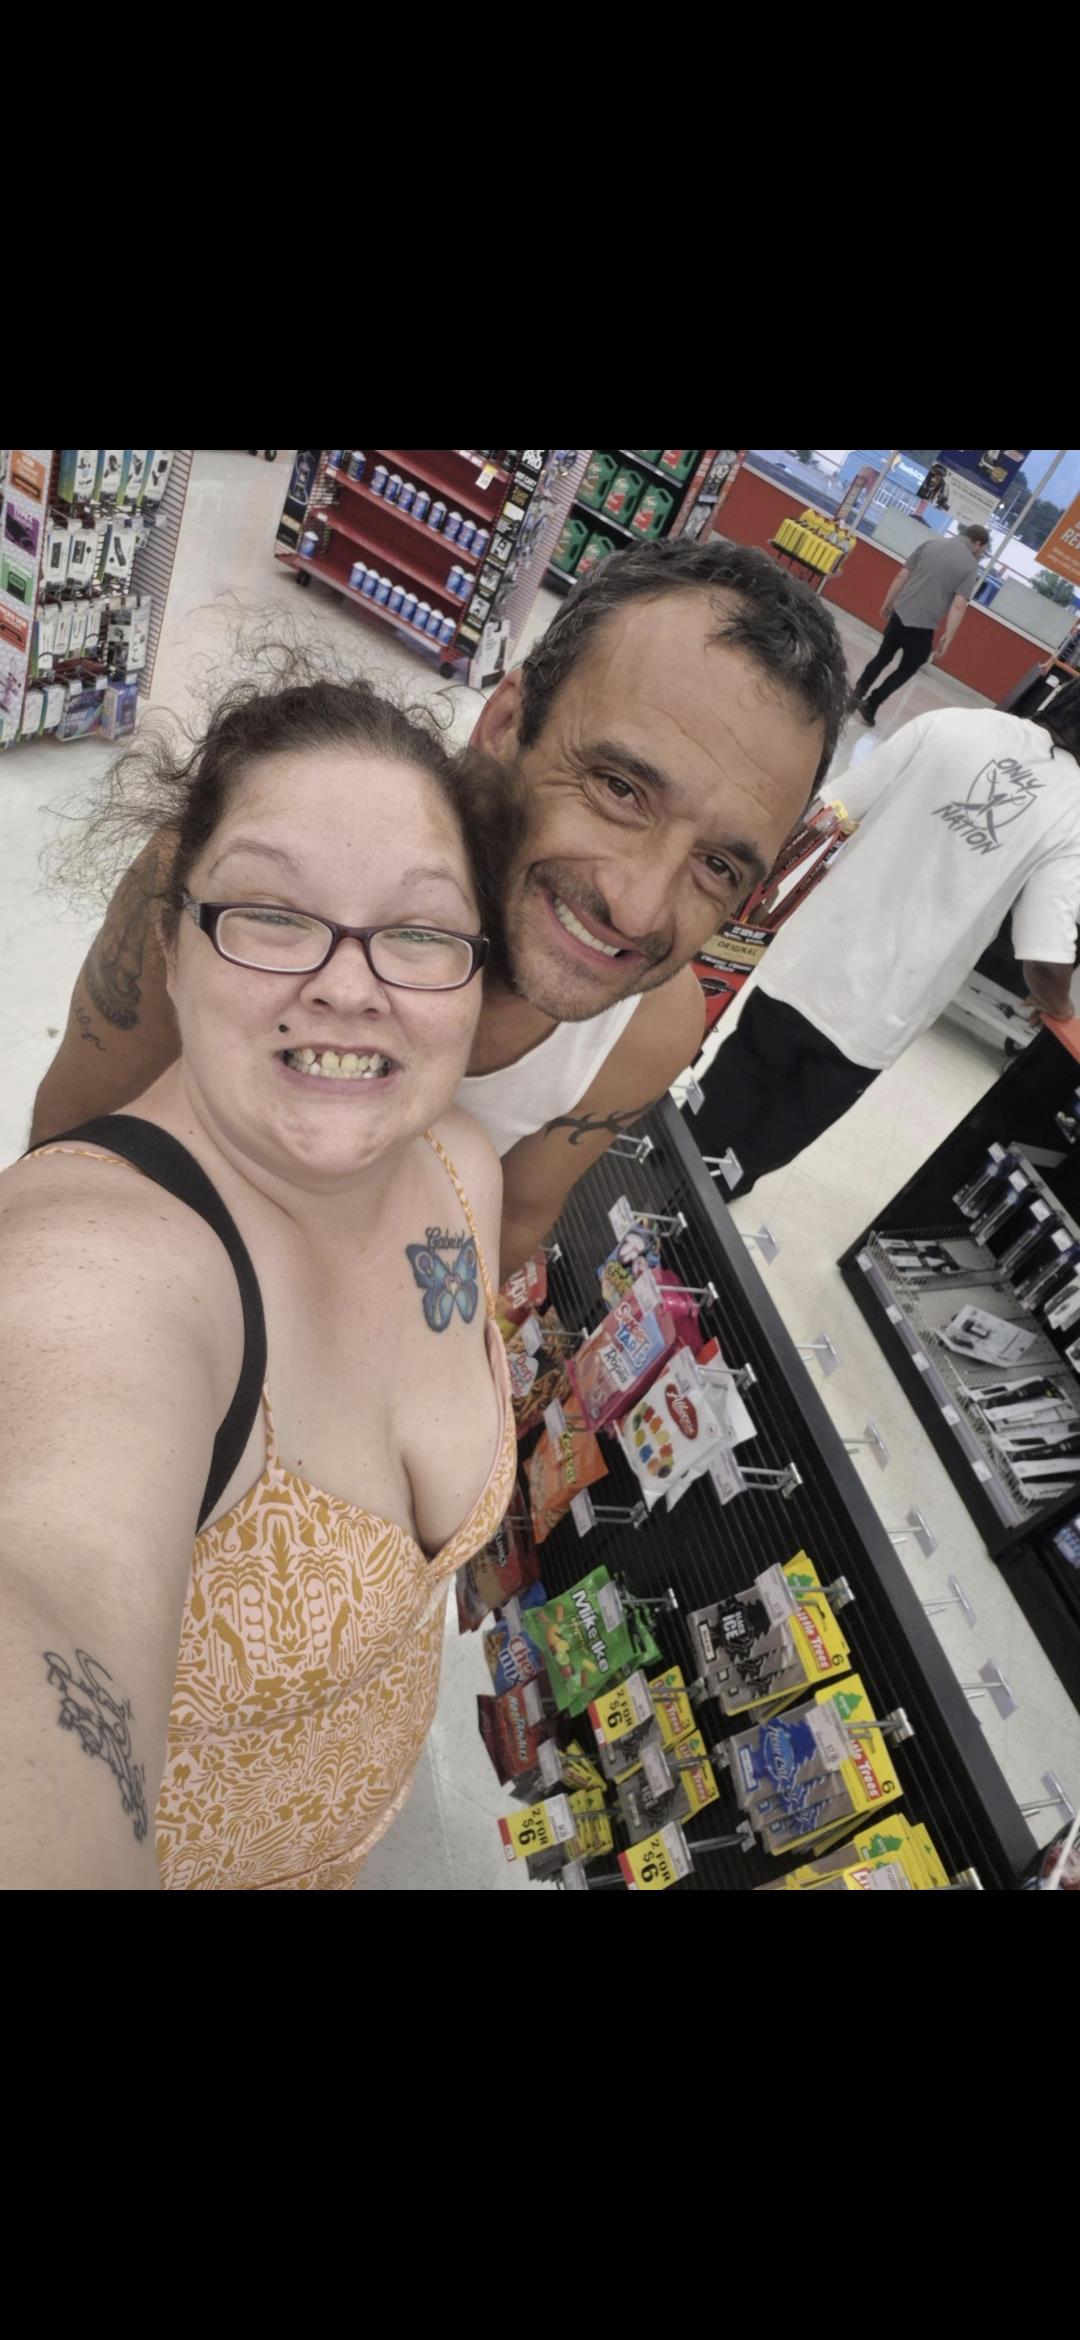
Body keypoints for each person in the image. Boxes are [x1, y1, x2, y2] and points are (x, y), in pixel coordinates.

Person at [0, 677, 520, 1889]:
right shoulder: (97, 1260)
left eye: (421, 931)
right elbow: (48, 1589)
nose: (349, 985)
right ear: (172, 940)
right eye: (274, 913)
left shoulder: (461, 1171)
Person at [30, 540, 852, 1277]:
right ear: (503, 721)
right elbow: (71, 1157)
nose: (638, 910)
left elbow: (507, 1226)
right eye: (619, 788)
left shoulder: (647, 1035)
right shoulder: (231, 899)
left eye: (715, 864)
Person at [693, 681, 1080, 1195]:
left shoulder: (952, 723)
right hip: (883, 1008)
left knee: (738, 1073)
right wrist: (1059, 1007)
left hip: (811, 957)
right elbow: (1046, 957)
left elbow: (829, 811)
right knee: (787, 1122)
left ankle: (675, 1160)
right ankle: (717, 1198)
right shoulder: (1071, 809)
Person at [852, 522, 990, 727]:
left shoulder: (930, 545)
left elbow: (902, 574)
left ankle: (856, 695)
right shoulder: (970, 566)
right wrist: (948, 637)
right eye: (983, 550)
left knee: (882, 656)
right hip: (922, 628)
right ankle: (872, 703)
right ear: (978, 544)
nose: (981, 553)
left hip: (900, 615)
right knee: (908, 668)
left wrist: (888, 602)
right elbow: (959, 605)